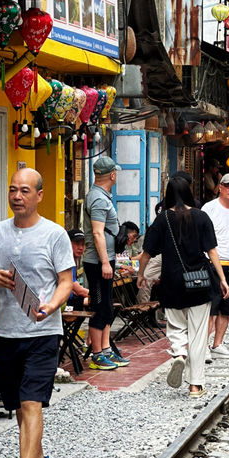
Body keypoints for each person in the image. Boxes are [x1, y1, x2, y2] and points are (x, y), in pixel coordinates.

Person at [0, 168, 74, 458]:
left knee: (32, 402)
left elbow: (66, 280)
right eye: (12, 189)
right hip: (6, 332)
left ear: (39, 195)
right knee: (19, 405)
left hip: (43, 332)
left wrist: (52, 304)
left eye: (24, 190)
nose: (17, 196)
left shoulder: (55, 234)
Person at [137, 175, 229, 398]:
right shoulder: (201, 217)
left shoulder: (162, 219)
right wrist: (223, 279)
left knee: (176, 326)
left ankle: (178, 353)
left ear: (168, 194)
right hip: (199, 283)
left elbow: (146, 254)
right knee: (198, 335)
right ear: (189, 192)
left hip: (172, 283)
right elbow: (212, 252)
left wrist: (141, 276)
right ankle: (195, 386)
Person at [82, 156, 129, 371]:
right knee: (100, 307)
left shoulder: (101, 196)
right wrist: (105, 263)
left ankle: (106, 349)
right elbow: (97, 232)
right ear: (112, 175)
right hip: (97, 262)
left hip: (104, 259)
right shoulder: (99, 199)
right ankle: (97, 354)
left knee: (107, 307)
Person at [202, 173, 229, 359]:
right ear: (220, 187)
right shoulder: (209, 209)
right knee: (210, 309)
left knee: (226, 309)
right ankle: (202, 346)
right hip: (212, 266)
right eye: (228, 186)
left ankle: (217, 344)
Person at [67, 229, 89, 309]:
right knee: (95, 302)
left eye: (83, 244)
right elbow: (79, 290)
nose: (81, 248)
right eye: (77, 244)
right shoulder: (66, 262)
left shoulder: (71, 261)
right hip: (63, 303)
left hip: (70, 299)